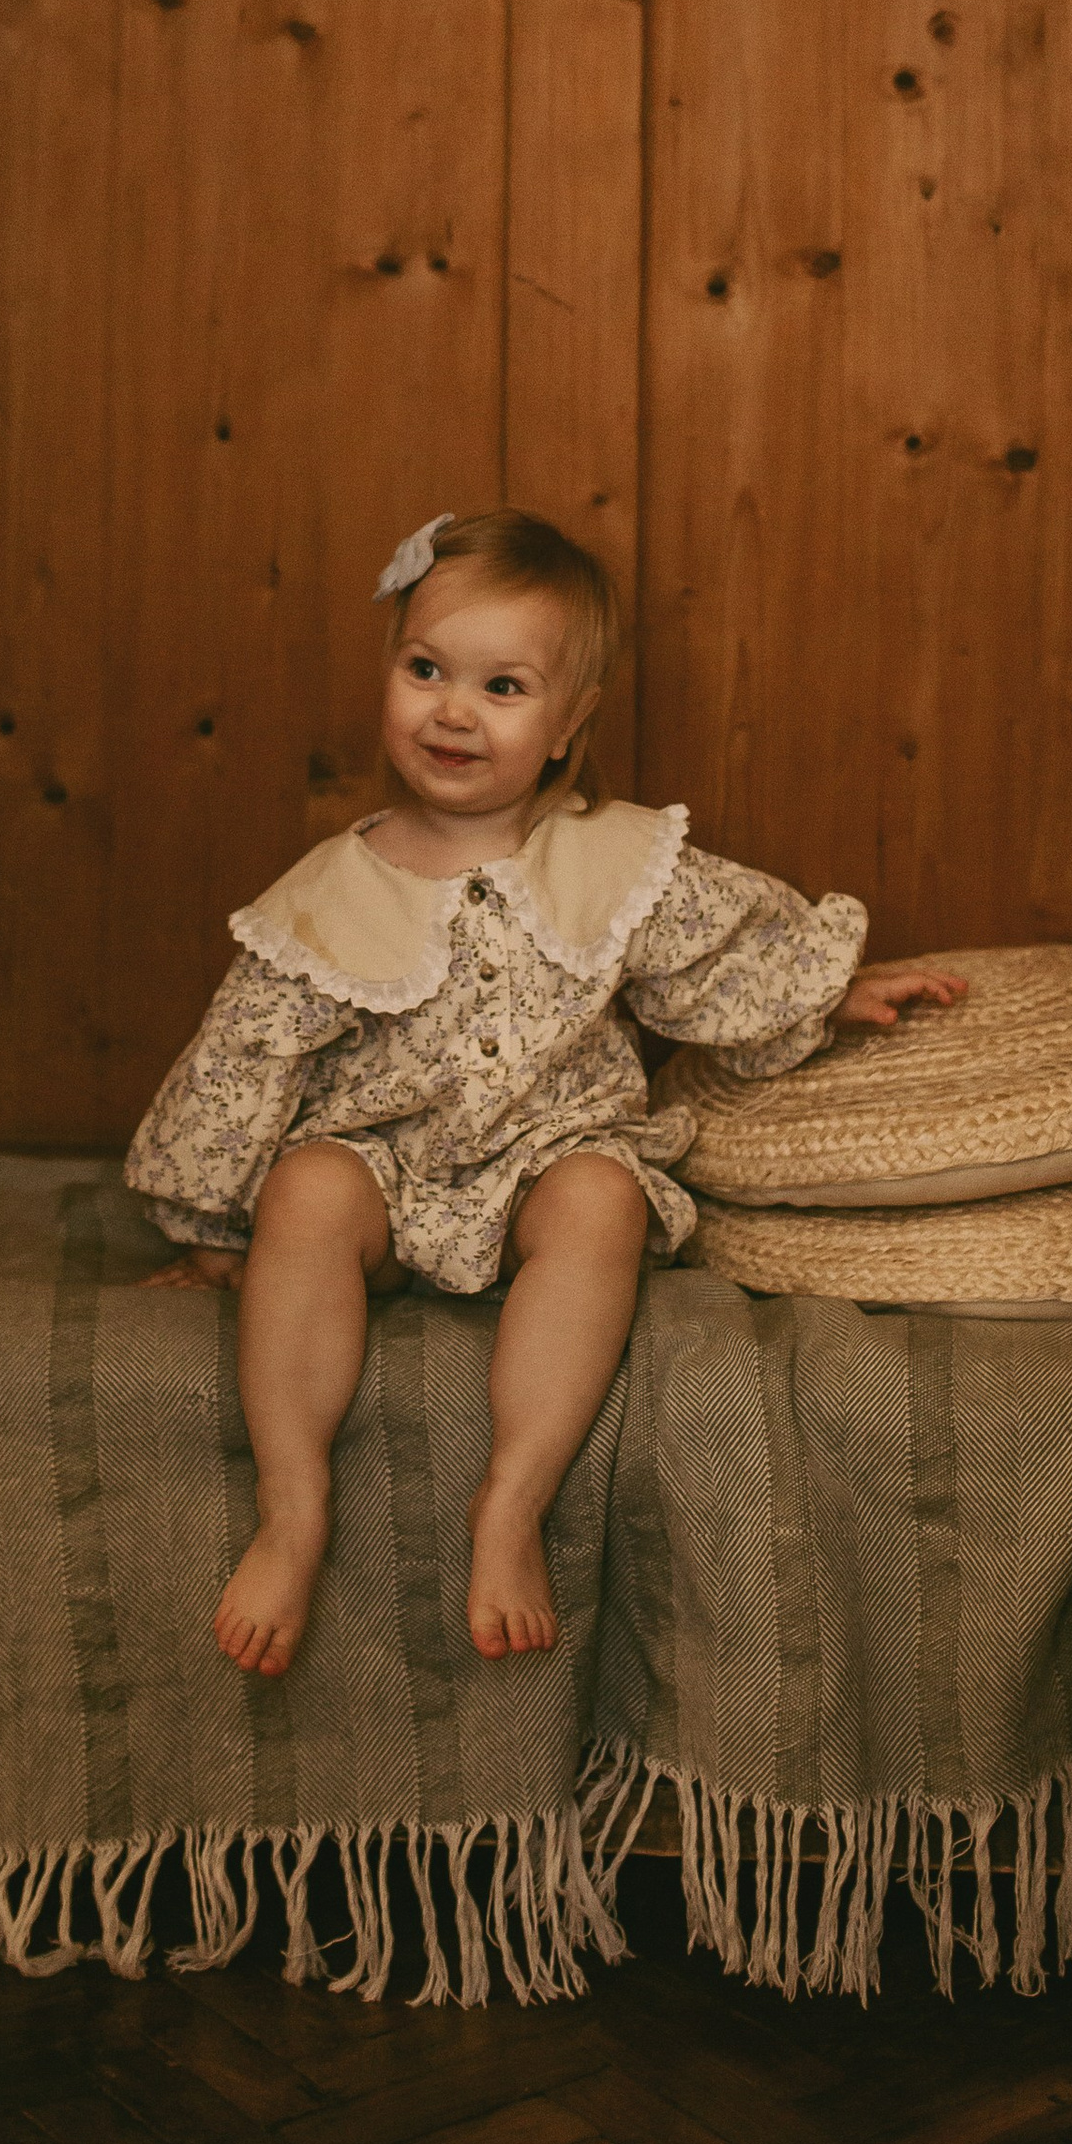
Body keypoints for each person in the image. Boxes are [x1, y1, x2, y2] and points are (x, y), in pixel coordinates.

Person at [126, 506, 967, 1679]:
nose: (453, 711)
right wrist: (213, 1224)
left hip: (547, 1151)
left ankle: (512, 1499)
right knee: (307, 1189)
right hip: (386, 1167)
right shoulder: (328, 895)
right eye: (424, 670)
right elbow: (240, 1067)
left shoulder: (612, 862)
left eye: (502, 687)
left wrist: (826, 993)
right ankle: (293, 1502)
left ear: (569, 725)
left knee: (598, 1202)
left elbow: (712, 960)